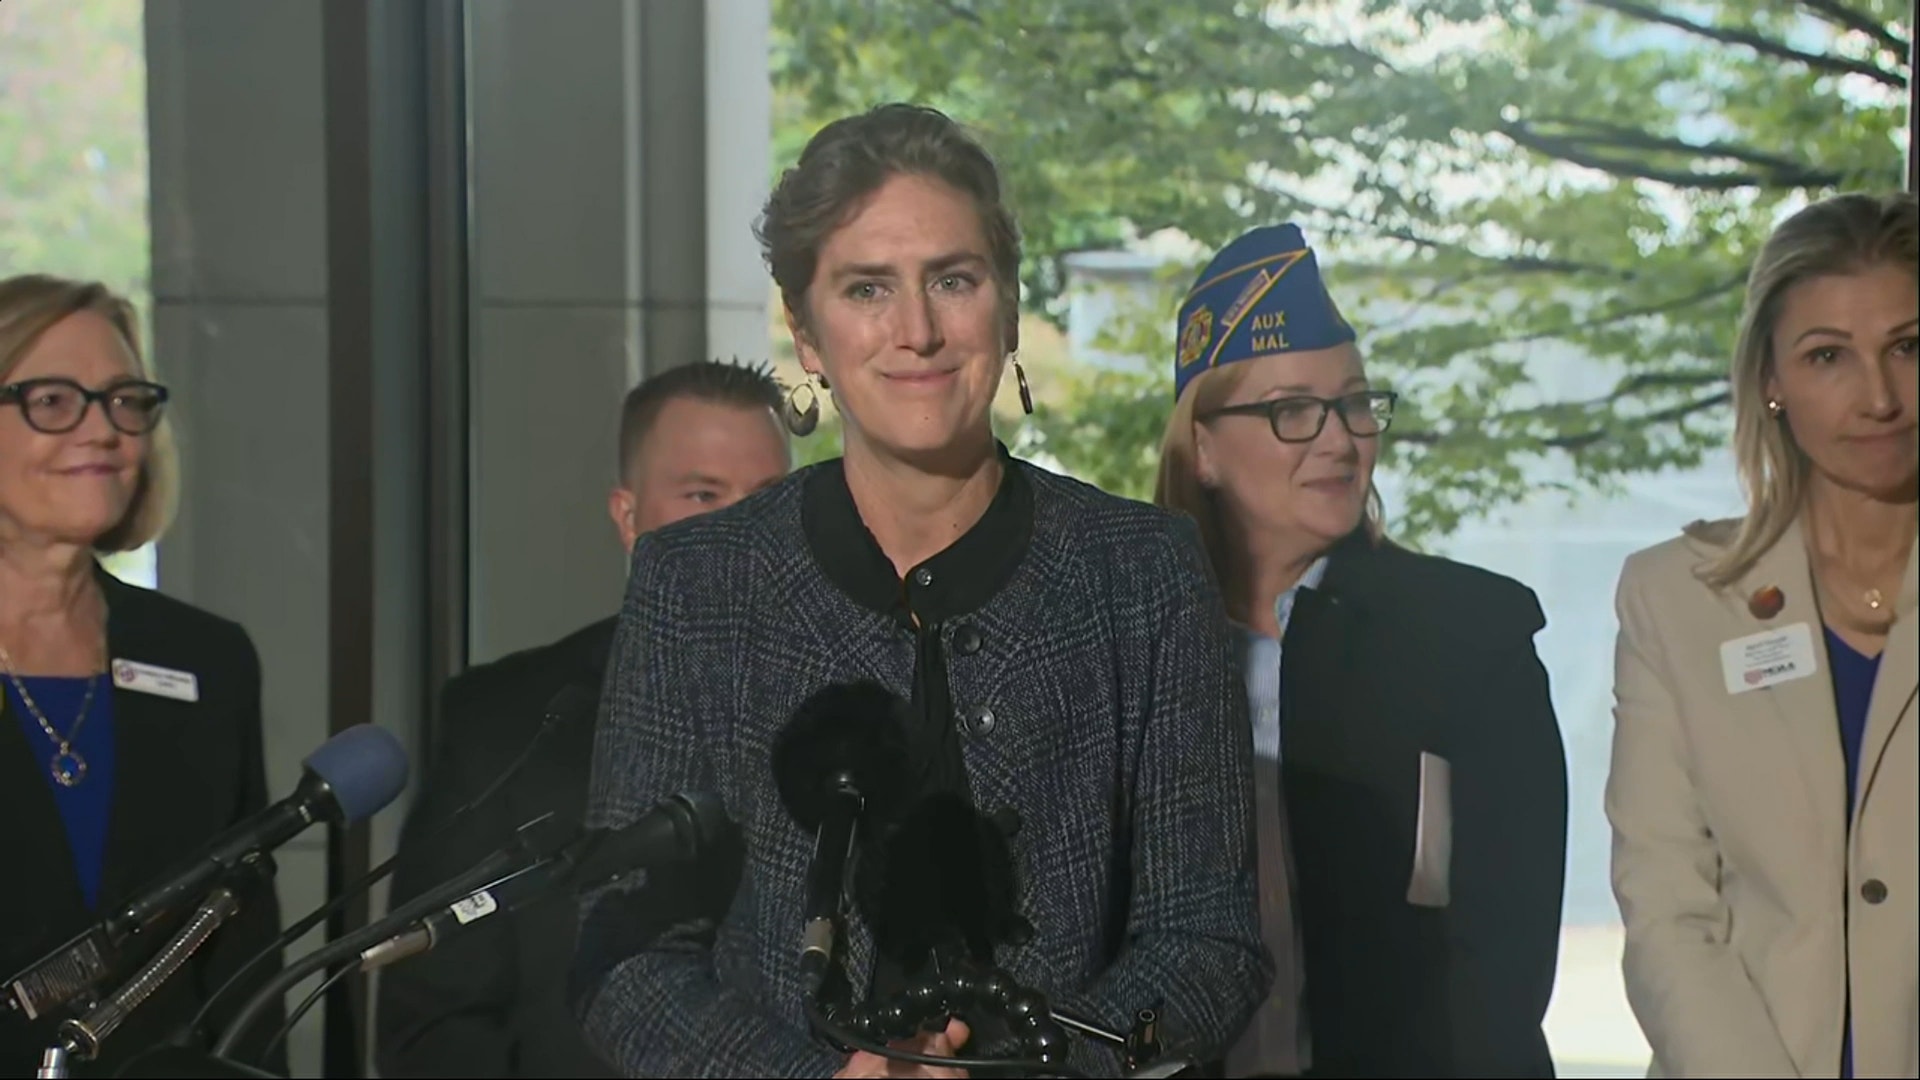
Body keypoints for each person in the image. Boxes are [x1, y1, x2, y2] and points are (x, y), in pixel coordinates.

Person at [570, 102, 1270, 1078]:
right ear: (806, 332)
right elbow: (628, 958)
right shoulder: (696, 583)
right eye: (867, 289)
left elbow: (1209, 945)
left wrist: (1038, 1068)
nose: (918, 331)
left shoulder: (1143, 570)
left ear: (1007, 306)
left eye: (953, 280)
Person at [1155, 224, 1569, 1077]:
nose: (1340, 441)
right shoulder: (1135, 648)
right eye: (1291, 411)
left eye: (1354, 403)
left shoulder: (1472, 635)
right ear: (1202, 448)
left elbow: (1505, 967)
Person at [376, 359, 792, 1078]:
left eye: (767, 498)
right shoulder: (504, 720)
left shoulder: (859, 709)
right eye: (703, 495)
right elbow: (434, 1026)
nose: (740, 530)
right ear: (628, 518)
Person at [1607, 191, 1918, 1078]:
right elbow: (1669, 913)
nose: (1880, 398)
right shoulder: (1676, 601)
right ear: (1770, 381)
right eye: (1828, 356)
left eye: (1909, 347)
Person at [0, 274, 286, 1076]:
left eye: (125, 401)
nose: (103, 431)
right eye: (53, 401)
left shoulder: (205, 659)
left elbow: (244, 960)